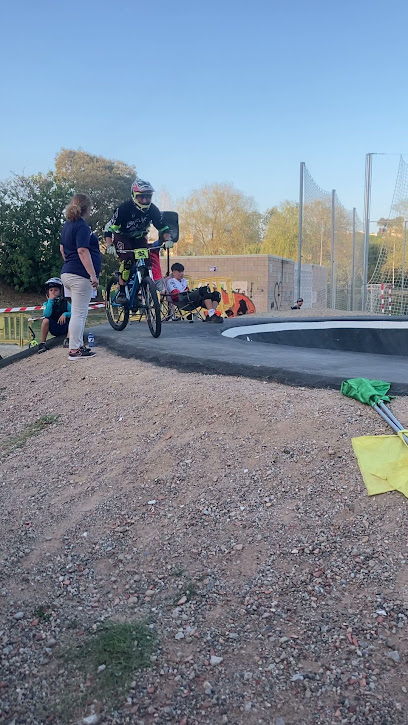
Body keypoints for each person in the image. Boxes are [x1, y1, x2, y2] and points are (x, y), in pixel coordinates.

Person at [105, 178, 171, 304]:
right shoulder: (124, 209)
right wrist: (109, 244)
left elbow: (164, 227)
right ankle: (122, 291)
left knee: (146, 264)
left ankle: (136, 293)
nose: (145, 200)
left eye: (148, 197)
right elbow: (109, 229)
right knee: (128, 261)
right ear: (134, 196)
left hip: (140, 238)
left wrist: (168, 240)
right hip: (122, 237)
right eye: (141, 197)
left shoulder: (153, 210)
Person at [60, 194, 101, 360]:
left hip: (67, 273)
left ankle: (77, 346)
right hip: (80, 276)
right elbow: (82, 250)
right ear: (87, 209)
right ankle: (75, 350)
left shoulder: (67, 226)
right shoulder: (82, 227)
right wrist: (92, 275)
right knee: (79, 313)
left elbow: (63, 249)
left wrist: (70, 264)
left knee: (78, 313)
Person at [38, 277, 71, 354]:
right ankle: (43, 343)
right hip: (54, 328)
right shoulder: (46, 304)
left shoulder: (66, 303)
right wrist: (50, 301)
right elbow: (46, 314)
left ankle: (69, 340)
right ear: (48, 292)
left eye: (56, 290)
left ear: (60, 291)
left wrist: (65, 314)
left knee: (73, 319)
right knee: (45, 320)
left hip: (65, 327)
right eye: (51, 290)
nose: (53, 292)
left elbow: (74, 312)